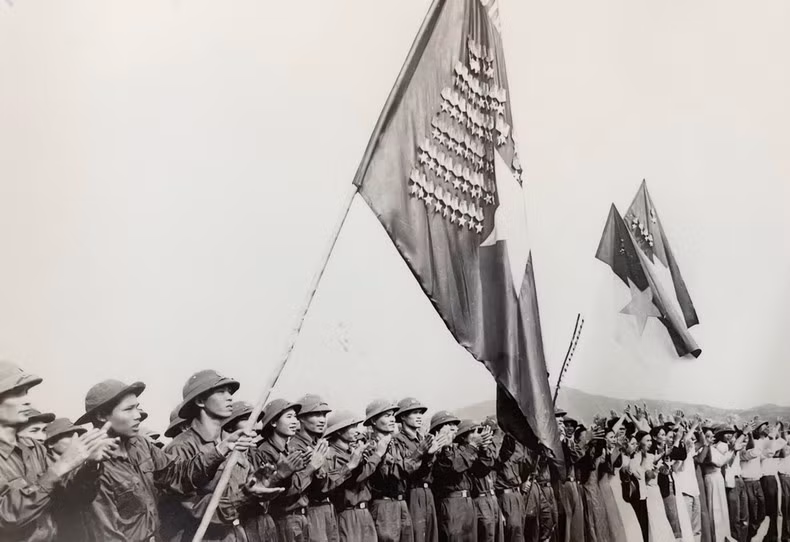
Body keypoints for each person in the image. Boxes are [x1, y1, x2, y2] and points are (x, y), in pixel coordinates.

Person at [75, 377, 254, 541]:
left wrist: (221, 448)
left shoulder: (141, 446)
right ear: (101, 416)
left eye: (137, 407)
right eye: (129, 409)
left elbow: (179, 475)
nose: (138, 415)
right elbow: (107, 535)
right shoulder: (92, 469)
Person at [164, 370, 288, 542]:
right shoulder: (181, 447)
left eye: (230, 392)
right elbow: (193, 508)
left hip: (237, 534)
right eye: (221, 392)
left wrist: (256, 486)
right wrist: (243, 496)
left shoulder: (232, 442)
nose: (229, 397)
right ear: (200, 401)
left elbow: (238, 491)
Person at [0, 361, 116, 542]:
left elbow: (74, 500)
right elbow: (5, 519)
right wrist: (61, 467)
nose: (28, 400)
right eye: (16, 393)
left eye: (26, 392)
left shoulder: (35, 449)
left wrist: (90, 466)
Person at [256, 398, 330, 542]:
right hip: (285, 519)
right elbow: (282, 493)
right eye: (289, 417)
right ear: (273, 422)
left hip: (301, 517)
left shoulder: (289, 450)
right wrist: (310, 468)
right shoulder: (265, 451)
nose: (295, 422)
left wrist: (314, 467)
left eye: (295, 417)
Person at [323, 410, 386, 542]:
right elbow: (356, 478)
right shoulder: (331, 455)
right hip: (348, 515)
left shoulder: (351, 452)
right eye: (353, 427)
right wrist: (378, 455)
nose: (357, 431)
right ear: (339, 431)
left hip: (364, 513)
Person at [431, 410, 485, 542]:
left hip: (467, 501)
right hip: (451, 503)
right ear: (438, 429)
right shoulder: (437, 451)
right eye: (448, 425)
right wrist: (471, 447)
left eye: (455, 424)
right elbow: (453, 467)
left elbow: (482, 470)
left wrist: (483, 449)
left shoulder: (459, 449)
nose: (454, 428)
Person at [394, 397, 444, 542]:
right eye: (414, 413)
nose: (419, 417)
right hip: (413, 492)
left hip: (428, 492)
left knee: (431, 535)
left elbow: (431, 471)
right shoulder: (398, 441)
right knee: (417, 535)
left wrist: (432, 455)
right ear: (403, 416)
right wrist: (424, 454)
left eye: (420, 413)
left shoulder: (424, 439)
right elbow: (406, 471)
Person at [292, 393, 338, 542]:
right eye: (316, 414)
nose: (322, 419)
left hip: (327, 509)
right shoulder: (295, 446)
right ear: (301, 418)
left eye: (324, 415)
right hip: (311, 511)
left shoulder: (319, 444)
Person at [366, 399, 412, 542]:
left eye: (392, 415)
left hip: (401, 502)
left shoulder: (396, 443)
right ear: (374, 420)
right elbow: (388, 474)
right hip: (383, 504)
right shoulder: (371, 445)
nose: (392, 419)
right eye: (386, 415)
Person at [457, 420, 501, 542]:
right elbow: (460, 466)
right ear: (463, 437)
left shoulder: (475, 452)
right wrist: (474, 448)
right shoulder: (461, 452)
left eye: (479, 431)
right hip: (472, 501)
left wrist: (484, 449)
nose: (478, 435)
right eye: (473, 432)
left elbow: (483, 469)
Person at [702, 425, 736, 542]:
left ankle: (724, 536)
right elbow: (719, 462)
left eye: (712, 436)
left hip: (718, 478)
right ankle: (716, 537)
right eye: (707, 436)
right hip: (711, 479)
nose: (710, 438)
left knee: (721, 508)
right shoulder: (705, 449)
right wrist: (732, 450)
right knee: (714, 508)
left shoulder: (714, 448)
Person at [555, 414, 585, 542]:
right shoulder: (559, 443)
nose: (569, 428)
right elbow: (570, 458)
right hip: (564, 483)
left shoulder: (573, 443)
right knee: (566, 519)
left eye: (571, 426)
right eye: (565, 426)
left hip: (575, 484)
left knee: (577, 518)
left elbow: (579, 457)